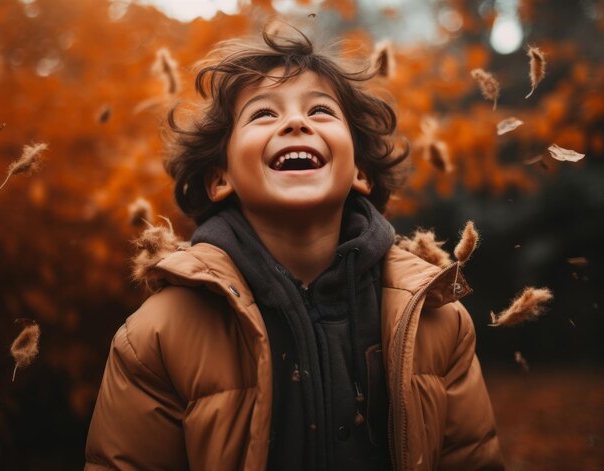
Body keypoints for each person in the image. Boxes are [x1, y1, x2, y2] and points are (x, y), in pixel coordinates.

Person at [85, 24, 503, 471]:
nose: (295, 122)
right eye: (263, 114)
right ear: (220, 178)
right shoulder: (159, 334)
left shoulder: (437, 319)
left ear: (360, 170)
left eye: (321, 110)